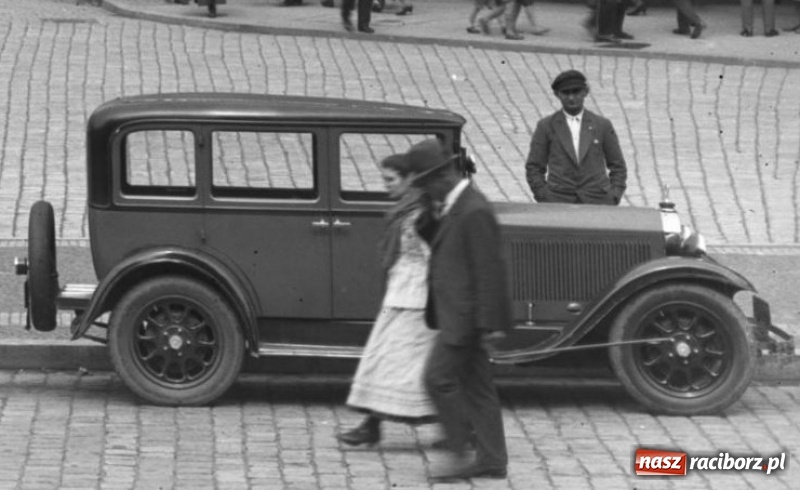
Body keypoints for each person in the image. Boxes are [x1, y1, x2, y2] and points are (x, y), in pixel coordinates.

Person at [407, 139, 512, 482]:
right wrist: (428, 212)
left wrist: (489, 326)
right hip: (461, 315)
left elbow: (489, 270)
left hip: (465, 319)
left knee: (436, 379)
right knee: (478, 388)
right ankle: (492, 459)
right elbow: (438, 242)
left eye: (425, 184)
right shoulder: (453, 206)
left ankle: (459, 452)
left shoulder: (473, 210)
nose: (424, 191)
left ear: (442, 177)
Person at [336, 154, 438, 447]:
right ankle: (372, 425)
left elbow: (436, 257)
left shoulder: (422, 214)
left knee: (404, 367)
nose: (386, 186)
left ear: (410, 179)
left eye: (391, 179)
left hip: (418, 301)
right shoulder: (405, 210)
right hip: (400, 294)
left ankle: (462, 428)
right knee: (386, 361)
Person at [525, 69, 627, 205]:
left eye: (576, 92)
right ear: (557, 94)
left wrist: (613, 196)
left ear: (585, 92)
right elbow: (534, 166)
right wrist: (544, 196)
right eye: (565, 93)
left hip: (597, 201)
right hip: (559, 201)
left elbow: (617, 165)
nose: (571, 98)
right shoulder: (546, 126)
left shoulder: (602, 125)